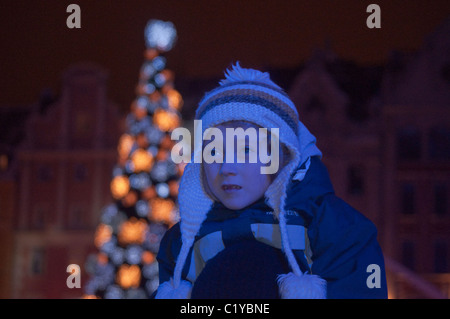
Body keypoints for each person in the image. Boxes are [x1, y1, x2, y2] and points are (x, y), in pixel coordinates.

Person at [153, 62, 387, 299]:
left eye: (246, 150)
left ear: (282, 156)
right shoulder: (180, 242)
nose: (226, 168)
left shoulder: (333, 226)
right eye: (213, 153)